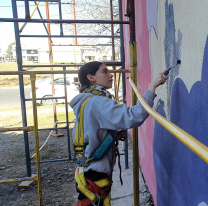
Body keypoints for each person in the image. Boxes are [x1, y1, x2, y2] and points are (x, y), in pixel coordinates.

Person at [69, 61, 167, 206]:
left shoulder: (86, 101)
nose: (110, 75)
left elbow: (90, 131)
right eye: (104, 72)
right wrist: (153, 86)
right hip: (96, 174)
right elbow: (135, 115)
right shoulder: (98, 102)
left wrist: (111, 134)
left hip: (84, 169)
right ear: (91, 78)